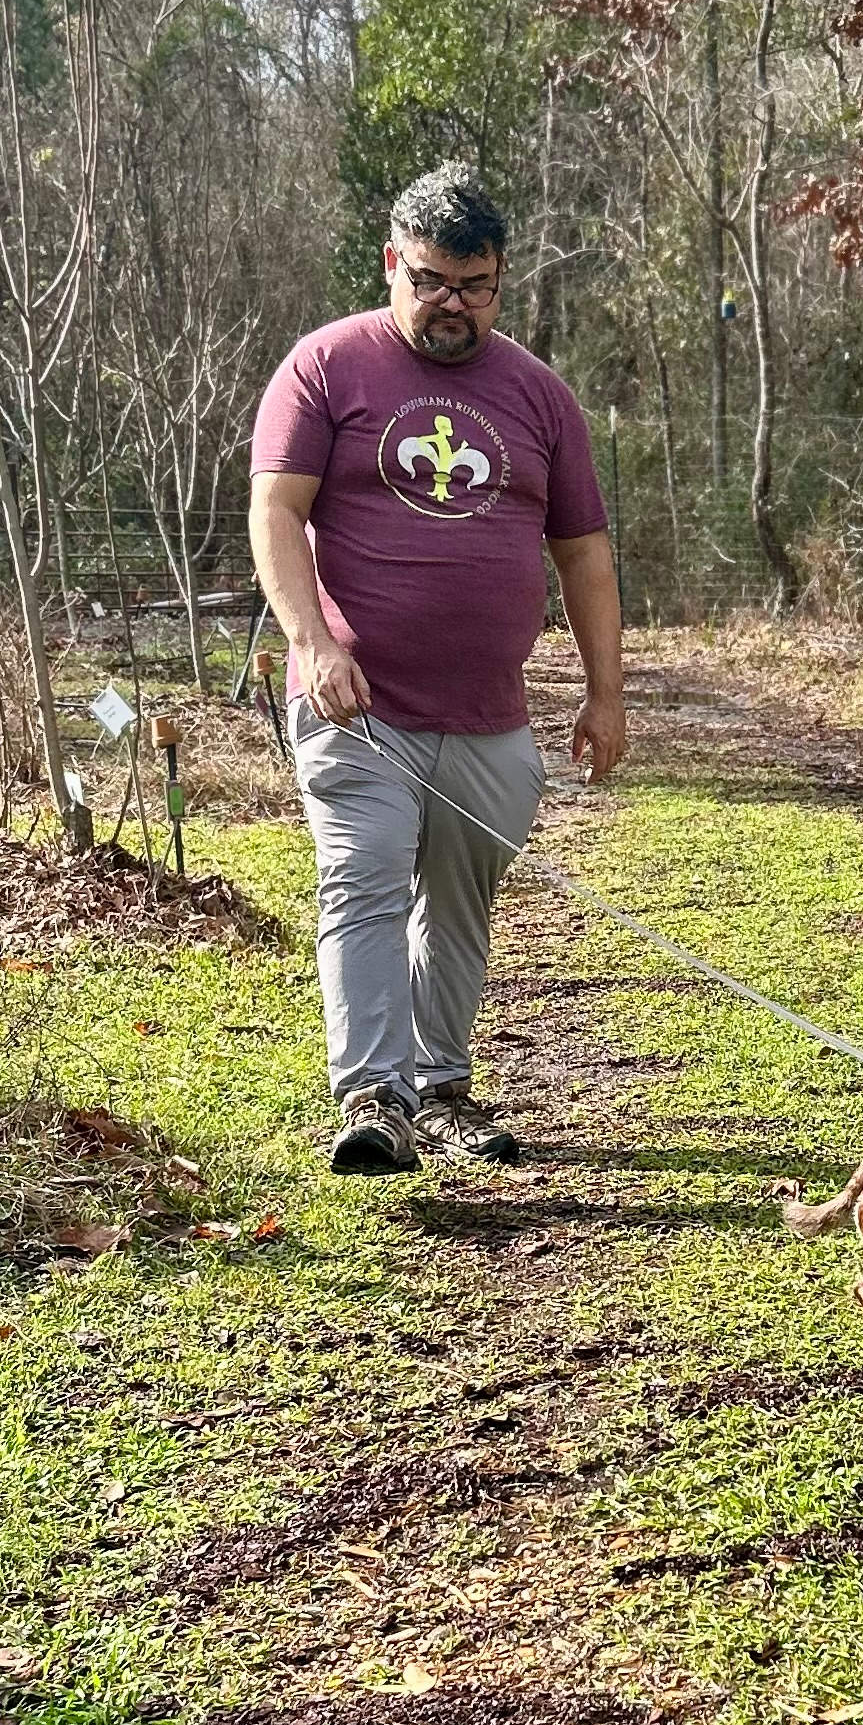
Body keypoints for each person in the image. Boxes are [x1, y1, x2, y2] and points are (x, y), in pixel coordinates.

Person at [247, 164, 627, 1173]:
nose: (452, 304)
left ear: (501, 281)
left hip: (489, 715)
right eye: (430, 281)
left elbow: (583, 550)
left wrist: (605, 689)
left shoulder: (539, 395)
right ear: (391, 263)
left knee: (460, 900)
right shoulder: (327, 369)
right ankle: (372, 1099)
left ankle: (442, 1090)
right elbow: (275, 513)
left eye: (475, 285)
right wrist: (312, 639)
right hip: (357, 704)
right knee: (363, 876)